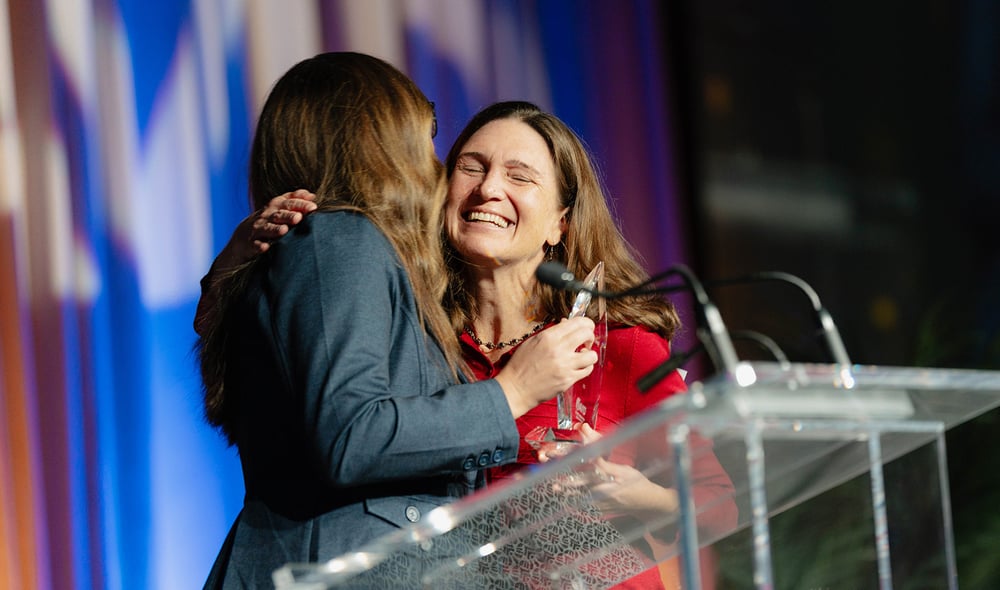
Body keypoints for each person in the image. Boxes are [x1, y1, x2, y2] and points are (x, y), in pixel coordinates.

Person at [201, 101, 737, 588]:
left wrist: (632, 494)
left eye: (520, 176)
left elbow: (718, 506)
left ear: (560, 223)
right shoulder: (413, 341)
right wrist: (232, 269)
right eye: (471, 168)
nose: (488, 190)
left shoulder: (615, 348)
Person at [196, 55, 597, 589]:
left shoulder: (342, 250)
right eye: (422, 130)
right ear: (378, 139)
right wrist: (513, 392)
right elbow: (351, 436)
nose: (433, 157)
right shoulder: (341, 241)